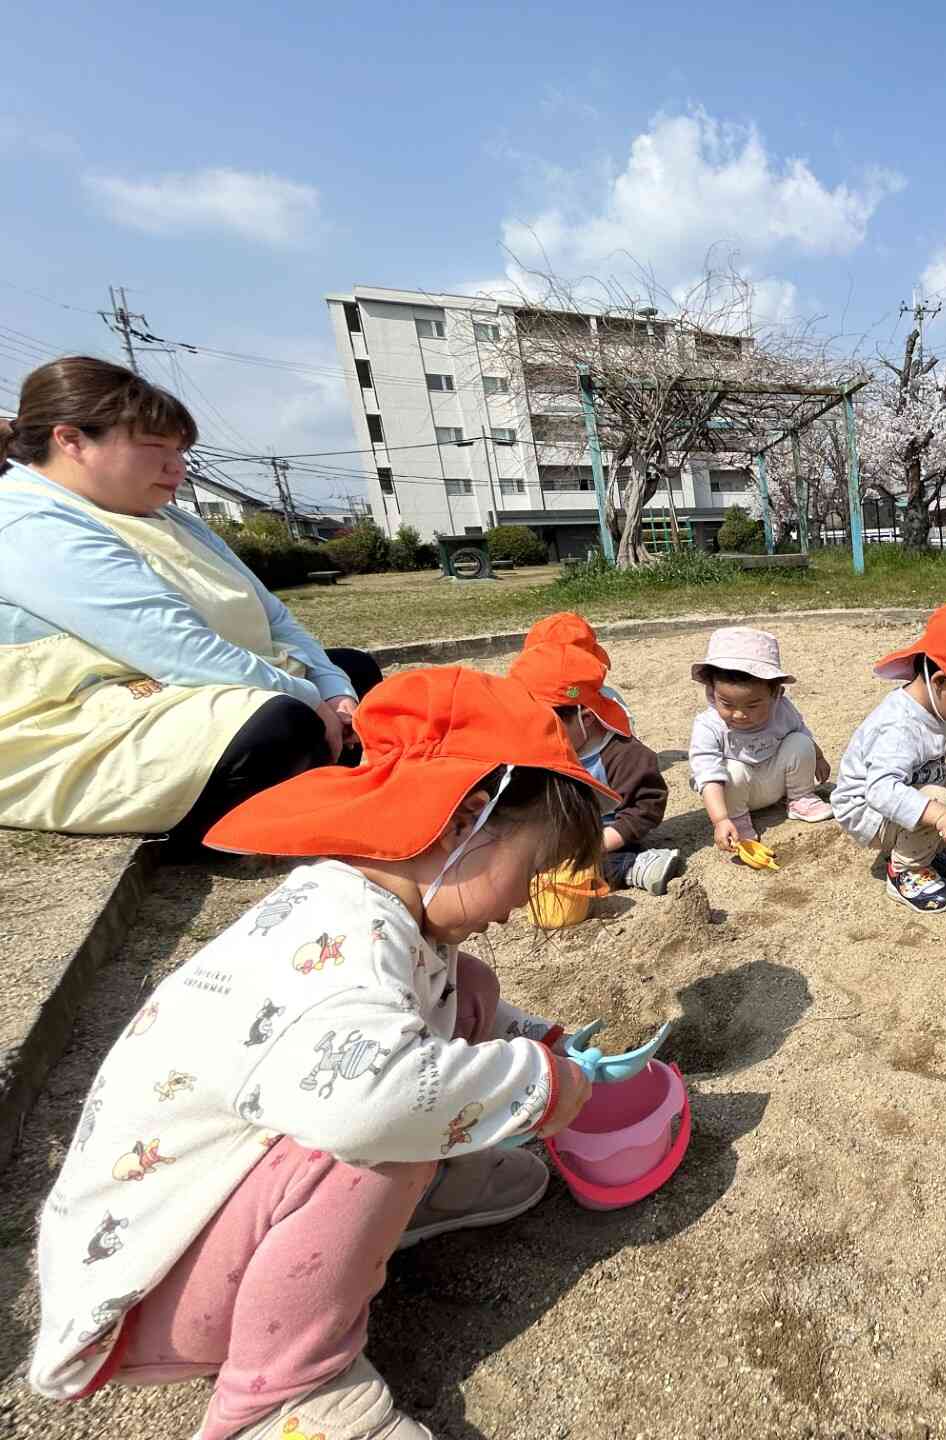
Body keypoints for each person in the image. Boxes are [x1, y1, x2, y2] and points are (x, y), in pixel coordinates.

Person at [27, 667, 614, 1437]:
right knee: (386, 1123)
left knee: (463, 991)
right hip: (153, 1288)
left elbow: (441, 1015)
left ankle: (426, 1192)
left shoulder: (383, 908)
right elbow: (374, 1102)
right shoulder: (342, 954)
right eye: (528, 873)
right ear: (466, 819)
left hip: (221, 1224)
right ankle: (282, 1394)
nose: (517, 905)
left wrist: (530, 1039)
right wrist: (536, 1085)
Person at [0, 356, 382, 849]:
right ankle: (216, 834)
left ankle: (317, 774)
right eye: (155, 448)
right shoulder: (30, 525)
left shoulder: (172, 518)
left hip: (198, 689)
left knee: (353, 670)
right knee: (282, 724)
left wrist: (332, 688)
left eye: (179, 450)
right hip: (82, 721)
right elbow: (178, 648)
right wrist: (312, 702)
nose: (175, 467)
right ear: (71, 440)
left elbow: (274, 617)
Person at [831, 598, 946, 915]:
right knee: (939, 799)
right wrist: (941, 815)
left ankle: (930, 848)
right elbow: (880, 791)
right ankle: (907, 872)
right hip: (868, 811)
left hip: (907, 789)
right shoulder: (897, 727)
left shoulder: (935, 709)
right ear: (941, 683)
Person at [508, 612, 678, 892]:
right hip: (555, 833)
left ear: (586, 718)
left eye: (549, 728)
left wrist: (600, 843)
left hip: (606, 837)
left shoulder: (624, 754)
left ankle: (635, 867)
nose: (536, 735)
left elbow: (644, 808)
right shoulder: (540, 746)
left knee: (596, 867)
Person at [688, 626, 833, 854]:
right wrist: (720, 819)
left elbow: (801, 731)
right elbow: (707, 774)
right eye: (726, 704)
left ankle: (800, 798)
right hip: (737, 795)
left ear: (775, 693)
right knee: (731, 768)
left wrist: (819, 757)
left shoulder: (782, 709)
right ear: (711, 692)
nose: (739, 714)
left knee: (800, 742)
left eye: (753, 705)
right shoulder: (709, 725)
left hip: (776, 782)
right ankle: (737, 820)